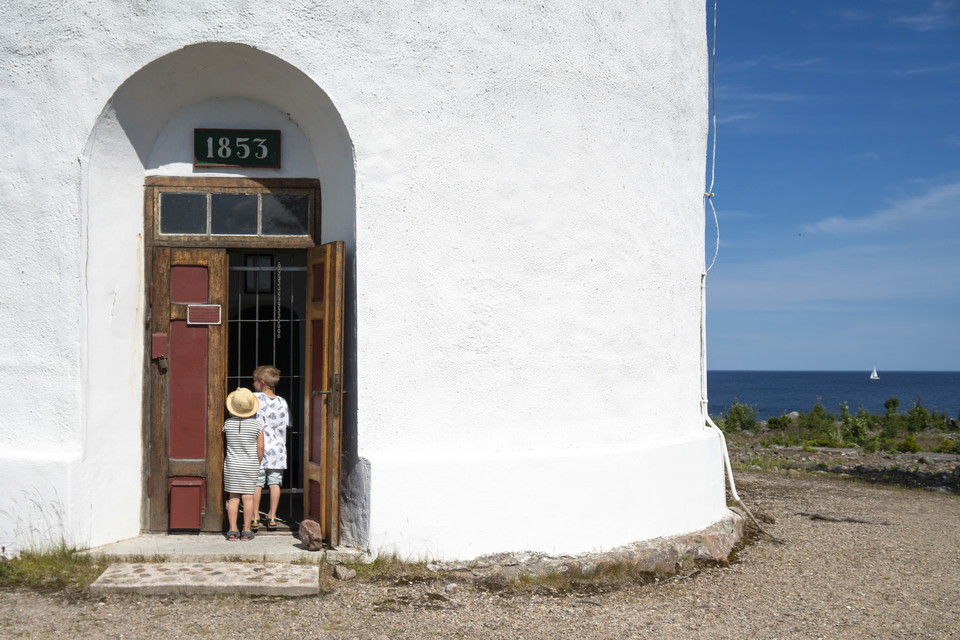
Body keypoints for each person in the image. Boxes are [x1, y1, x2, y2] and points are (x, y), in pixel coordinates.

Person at [250, 365, 290, 532]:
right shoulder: (282, 401)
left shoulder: (254, 398)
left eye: (254, 381)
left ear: (262, 383)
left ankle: (254, 517)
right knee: (274, 483)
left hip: (258, 448)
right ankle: (272, 516)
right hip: (278, 450)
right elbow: (287, 423)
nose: (252, 383)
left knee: (257, 484)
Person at [222, 387, 264, 541]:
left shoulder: (228, 424)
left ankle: (232, 530)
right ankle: (246, 531)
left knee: (233, 498)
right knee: (248, 497)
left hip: (232, 465)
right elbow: (260, 447)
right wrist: (257, 461)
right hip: (250, 465)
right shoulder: (257, 425)